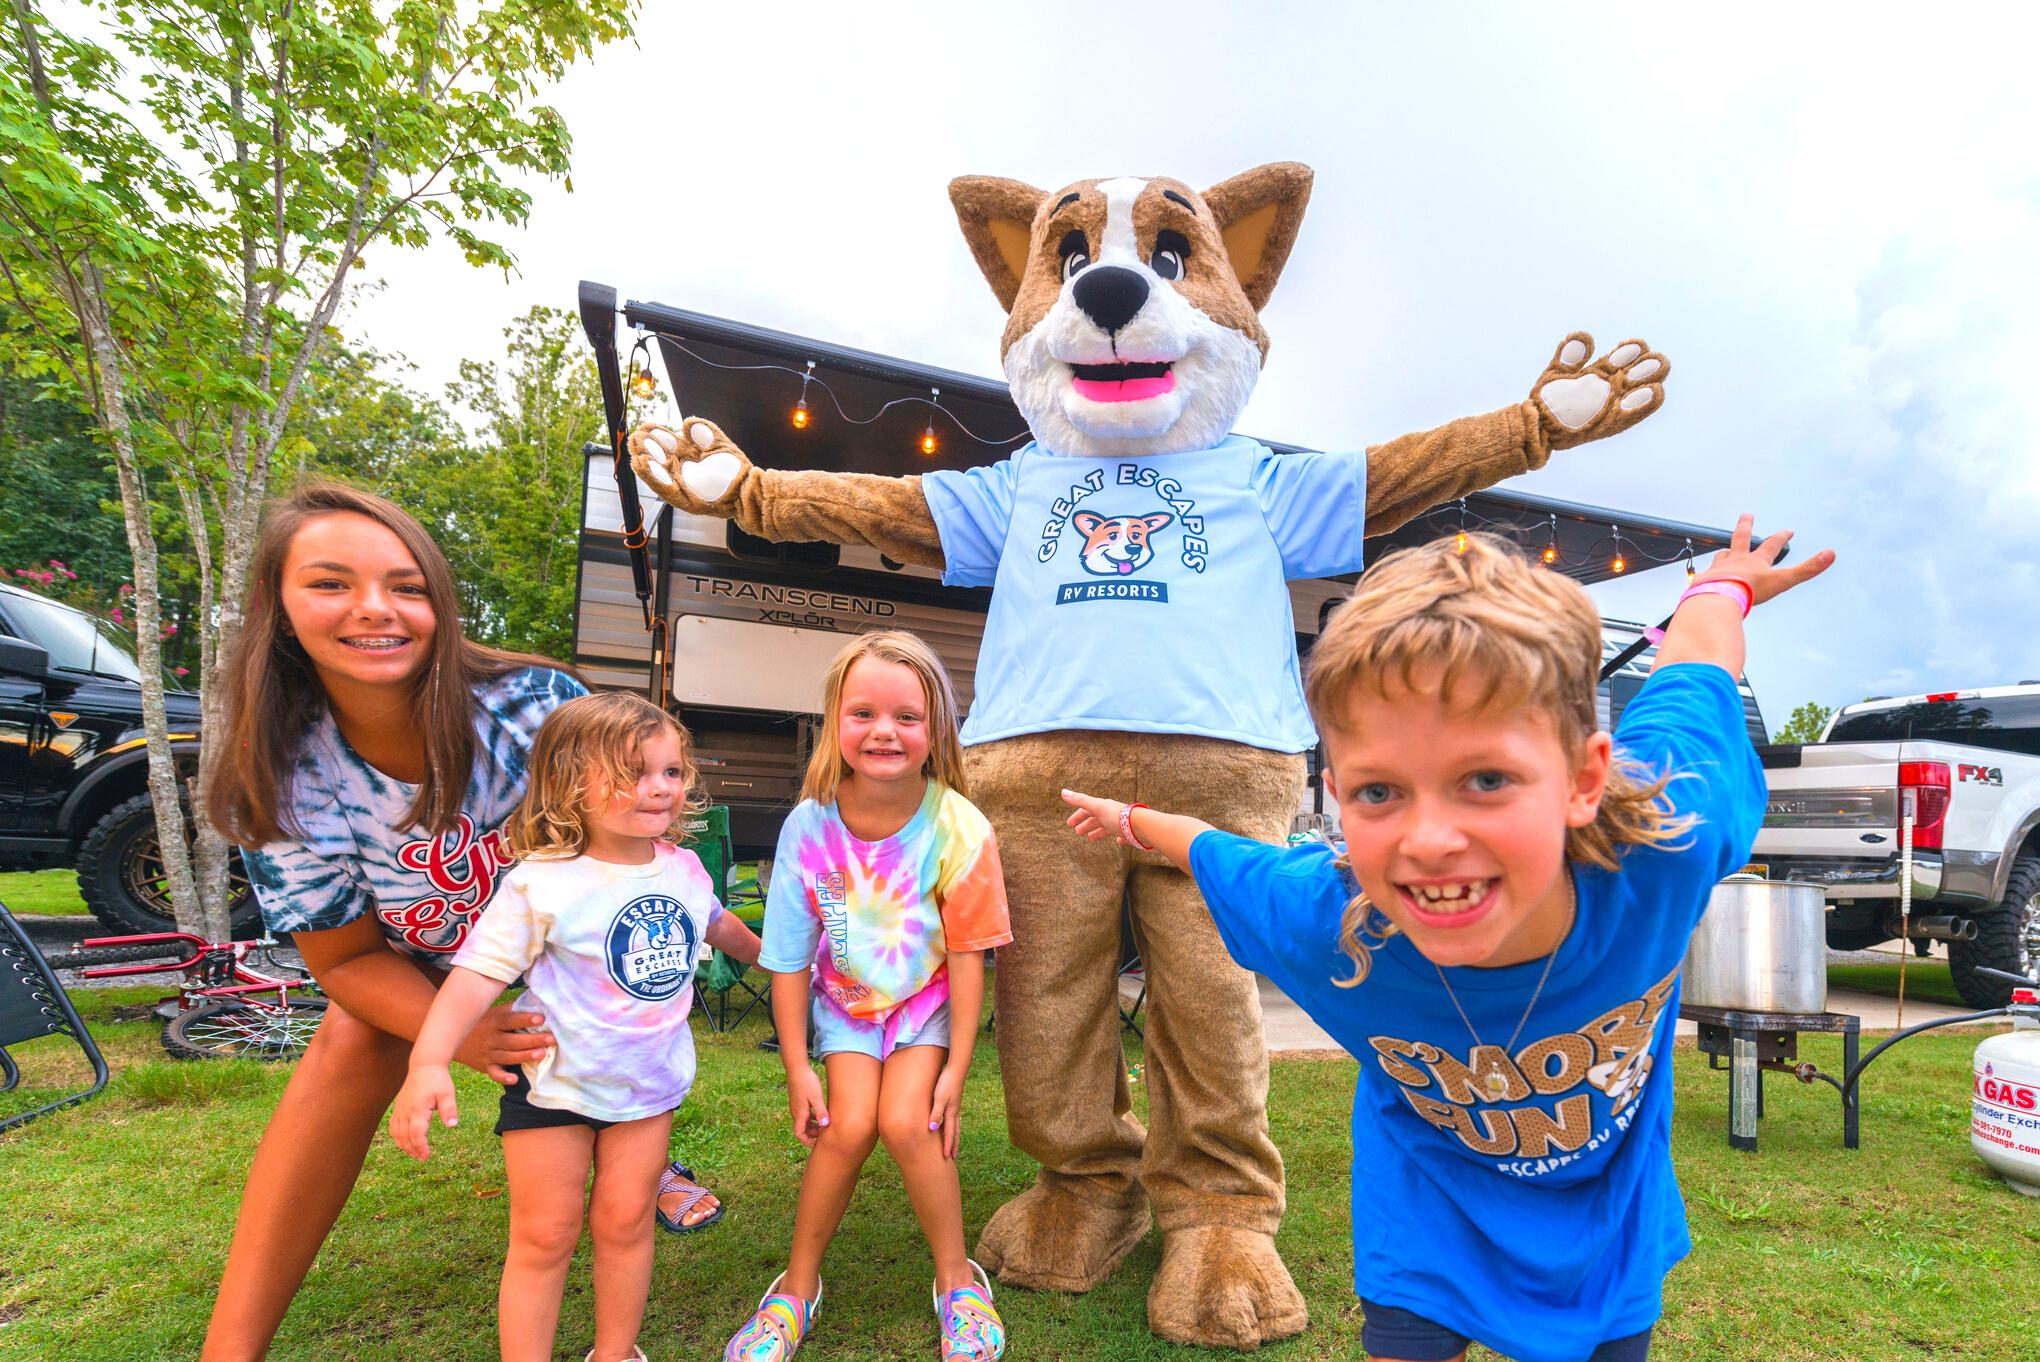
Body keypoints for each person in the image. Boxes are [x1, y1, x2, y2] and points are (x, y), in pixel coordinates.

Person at [1062, 519, 1833, 1362]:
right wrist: (1128, 819)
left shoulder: (1669, 841)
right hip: (1425, 1216)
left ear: (1584, 779)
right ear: (1336, 794)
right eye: (1380, 792)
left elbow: (1695, 668)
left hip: (1608, 1229)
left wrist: (1722, 588)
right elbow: (1213, 850)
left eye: (1486, 779)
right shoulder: (1327, 921)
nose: (1429, 841)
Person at [199, 482, 720, 1362]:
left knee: (615, 1040)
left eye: (406, 586)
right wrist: (465, 1035)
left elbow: (637, 827)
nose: (375, 608)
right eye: (330, 583)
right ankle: (231, 1345)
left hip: (576, 941)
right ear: (277, 607)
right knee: (354, 1037)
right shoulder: (283, 770)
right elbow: (346, 961)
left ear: (440, 603)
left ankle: (630, 1149)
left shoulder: (531, 705)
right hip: (433, 957)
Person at [390, 691, 761, 1362]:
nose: (659, 787)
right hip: (552, 1088)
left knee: (625, 1225)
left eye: (672, 771)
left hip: (646, 1089)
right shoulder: (543, 883)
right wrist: (429, 1060)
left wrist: (779, 961)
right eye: (632, 773)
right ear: (570, 784)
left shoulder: (683, 868)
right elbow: (474, 976)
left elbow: (718, 925)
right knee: (545, 1237)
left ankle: (615, 1353)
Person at [725, 631, 1014, 1362]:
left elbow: (971, 957)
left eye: (907, 717)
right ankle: (795, 1289)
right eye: (863, 713)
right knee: (847, 1126)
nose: (884, 731)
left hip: (924, 1003)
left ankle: (958, 1283)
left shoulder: (960, 827)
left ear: (936, 730)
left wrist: (956, 1070)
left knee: (910, 1124)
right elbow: (788, 959)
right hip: (845, 1005)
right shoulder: (807, 826)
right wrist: (797, 1066)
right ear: (835, 722)